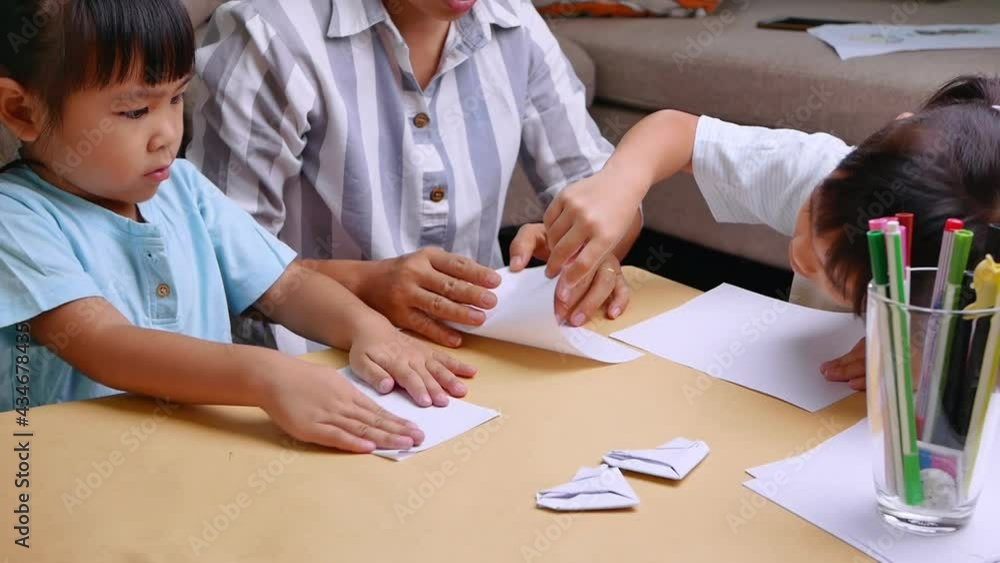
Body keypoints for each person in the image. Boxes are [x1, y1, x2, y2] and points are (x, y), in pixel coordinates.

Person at [0, 0, 481, 452]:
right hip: (71, 486)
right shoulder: (16, 218)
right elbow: (105, 345)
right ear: (22, 111)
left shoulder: (183, 189)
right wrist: (266, 375)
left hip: (201, 462)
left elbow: (286, 286)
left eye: (176, 98)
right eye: (134, 111)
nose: (168, 133)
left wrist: (368, 329)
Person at [185, 0, 642, 354]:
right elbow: (217, 265)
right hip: (315, 370)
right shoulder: (270, 34)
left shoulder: (513, 21)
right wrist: (366, 286)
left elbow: (603, 189)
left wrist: (585, 244)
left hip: (481, 356)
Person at [540, 75, 1000, 390]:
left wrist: (935, 357)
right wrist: (620, 182)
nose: (799, 255)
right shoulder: (824, 169)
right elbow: (677, 134)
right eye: (810, 214)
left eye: (831, 276)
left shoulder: (974, 282)